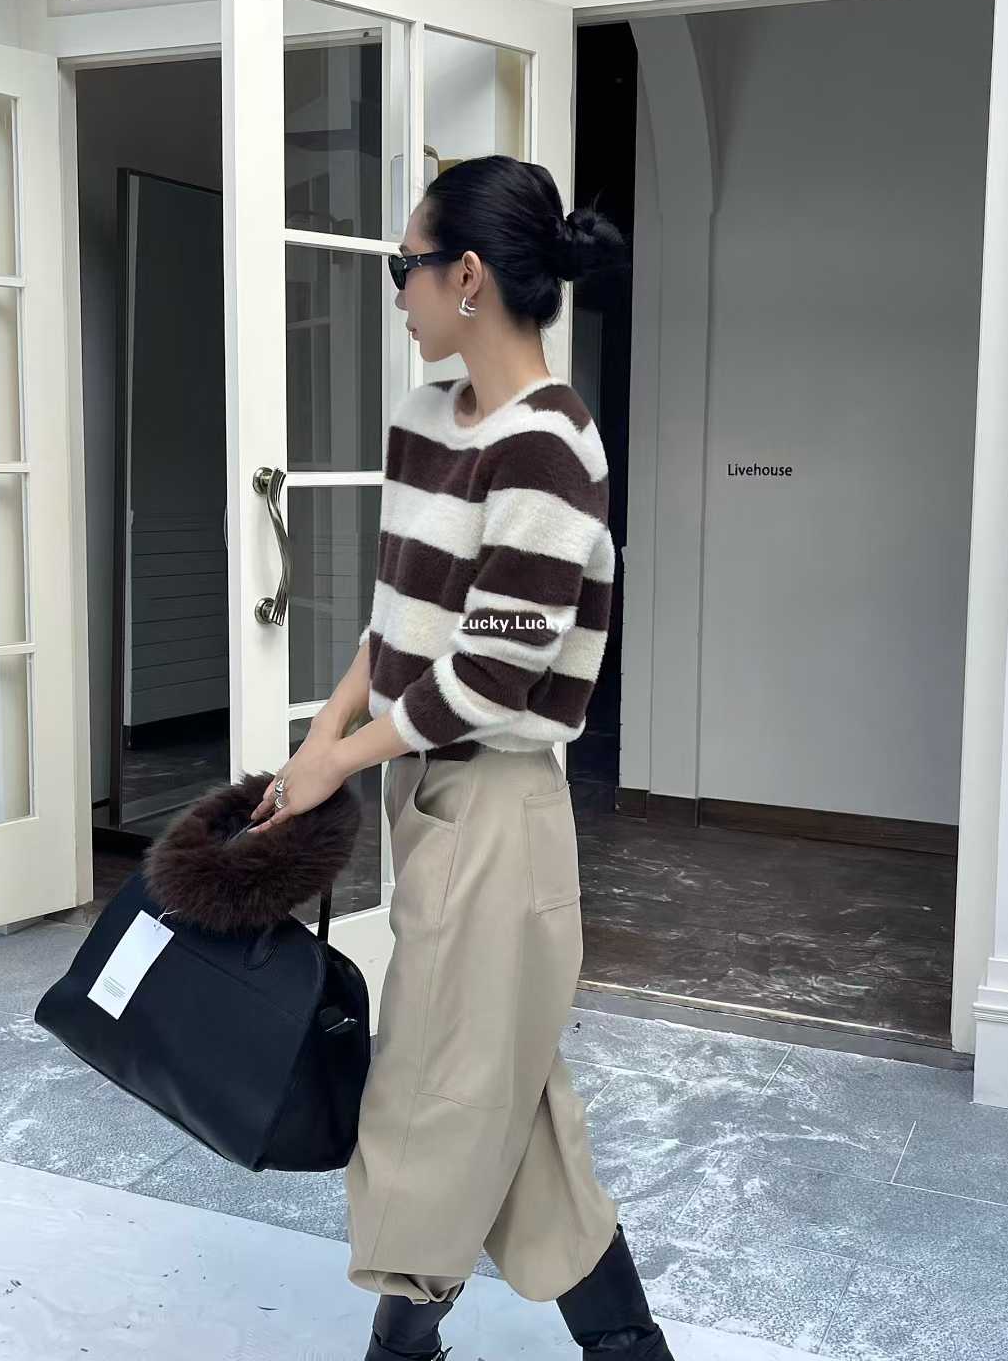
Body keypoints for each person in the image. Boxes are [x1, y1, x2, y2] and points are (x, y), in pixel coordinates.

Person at [249, 154, 674, 1361]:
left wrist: (342, 761)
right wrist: (323, 738)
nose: (398, 290)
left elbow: (490, 678)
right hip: (423, 788)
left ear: (469, 276)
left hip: (498, 812)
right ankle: (625, 1348)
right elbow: (398, 624)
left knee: (436, 1091)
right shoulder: (427, 417)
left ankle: (403, 1346)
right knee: (504, 1092)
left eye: (408, 266)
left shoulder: (554, 450)